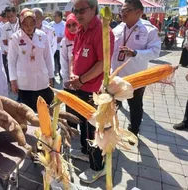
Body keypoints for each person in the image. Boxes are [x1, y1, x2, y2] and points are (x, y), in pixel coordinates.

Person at [68, 0, 115, 183]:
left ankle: (98, 167)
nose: (78, 14)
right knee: (85, 126)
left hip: (94, 90)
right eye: (75, 11)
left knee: (95, 129)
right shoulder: (81, 30)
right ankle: (89, 154)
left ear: (93, 9)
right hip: (80, 86)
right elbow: (75, 55)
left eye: (82, 10)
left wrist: (80, 80)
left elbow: (103, 64)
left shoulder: (103, 31)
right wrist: (73, 74)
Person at [111, 0, 161, 140]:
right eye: (122, 10)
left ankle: (133, 131)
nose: (123, 13)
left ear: (139, 12)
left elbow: (155, 51)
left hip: (135, 77)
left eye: (127, 10)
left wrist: (136, 53)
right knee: (112, 104)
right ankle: (112, 128)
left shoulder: (149, 30)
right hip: (116, 75)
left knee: (135, 105)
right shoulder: (117, 29)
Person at [8, 8, 54, 111]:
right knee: (27, 113)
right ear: (21, 23)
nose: (29, 27)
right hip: (25, 83)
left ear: (35, 22)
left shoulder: (42, 35)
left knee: (44, 112)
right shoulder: (15, 38)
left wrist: (51, 76)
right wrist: (13, 81)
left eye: (32, 23)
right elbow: (11, 61)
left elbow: (48, 58)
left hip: (42, 80)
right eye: (26, 23)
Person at [60, 13, 79, 129]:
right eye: (69, 25)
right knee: (71, 106)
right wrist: (67, 79)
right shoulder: (65, 41)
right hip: (69, 80)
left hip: (83, 79)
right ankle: (72, 129)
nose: (72, 28)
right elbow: (63, 62)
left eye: (74, 24)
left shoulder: (84, 37)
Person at [1, 7, 20, 82]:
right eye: (8, 16)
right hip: (10, 52)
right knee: (11, 70)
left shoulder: (22, 23)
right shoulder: (5, 26)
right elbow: (4, 41)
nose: (10, 18)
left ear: (15, 14)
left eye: (11, 16)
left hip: (22, 51)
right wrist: (7, 51)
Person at [49, 11, 65, 78]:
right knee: (51, 62)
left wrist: (60, 38)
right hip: (51, 47)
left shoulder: (64, 25)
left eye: (55, 16)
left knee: (60, 62)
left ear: (60, 17)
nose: (54, 18)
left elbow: (65, 37)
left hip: (60, 47)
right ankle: (52, 76)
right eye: (54, 16)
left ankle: (61, 75)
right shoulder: (50, 24)